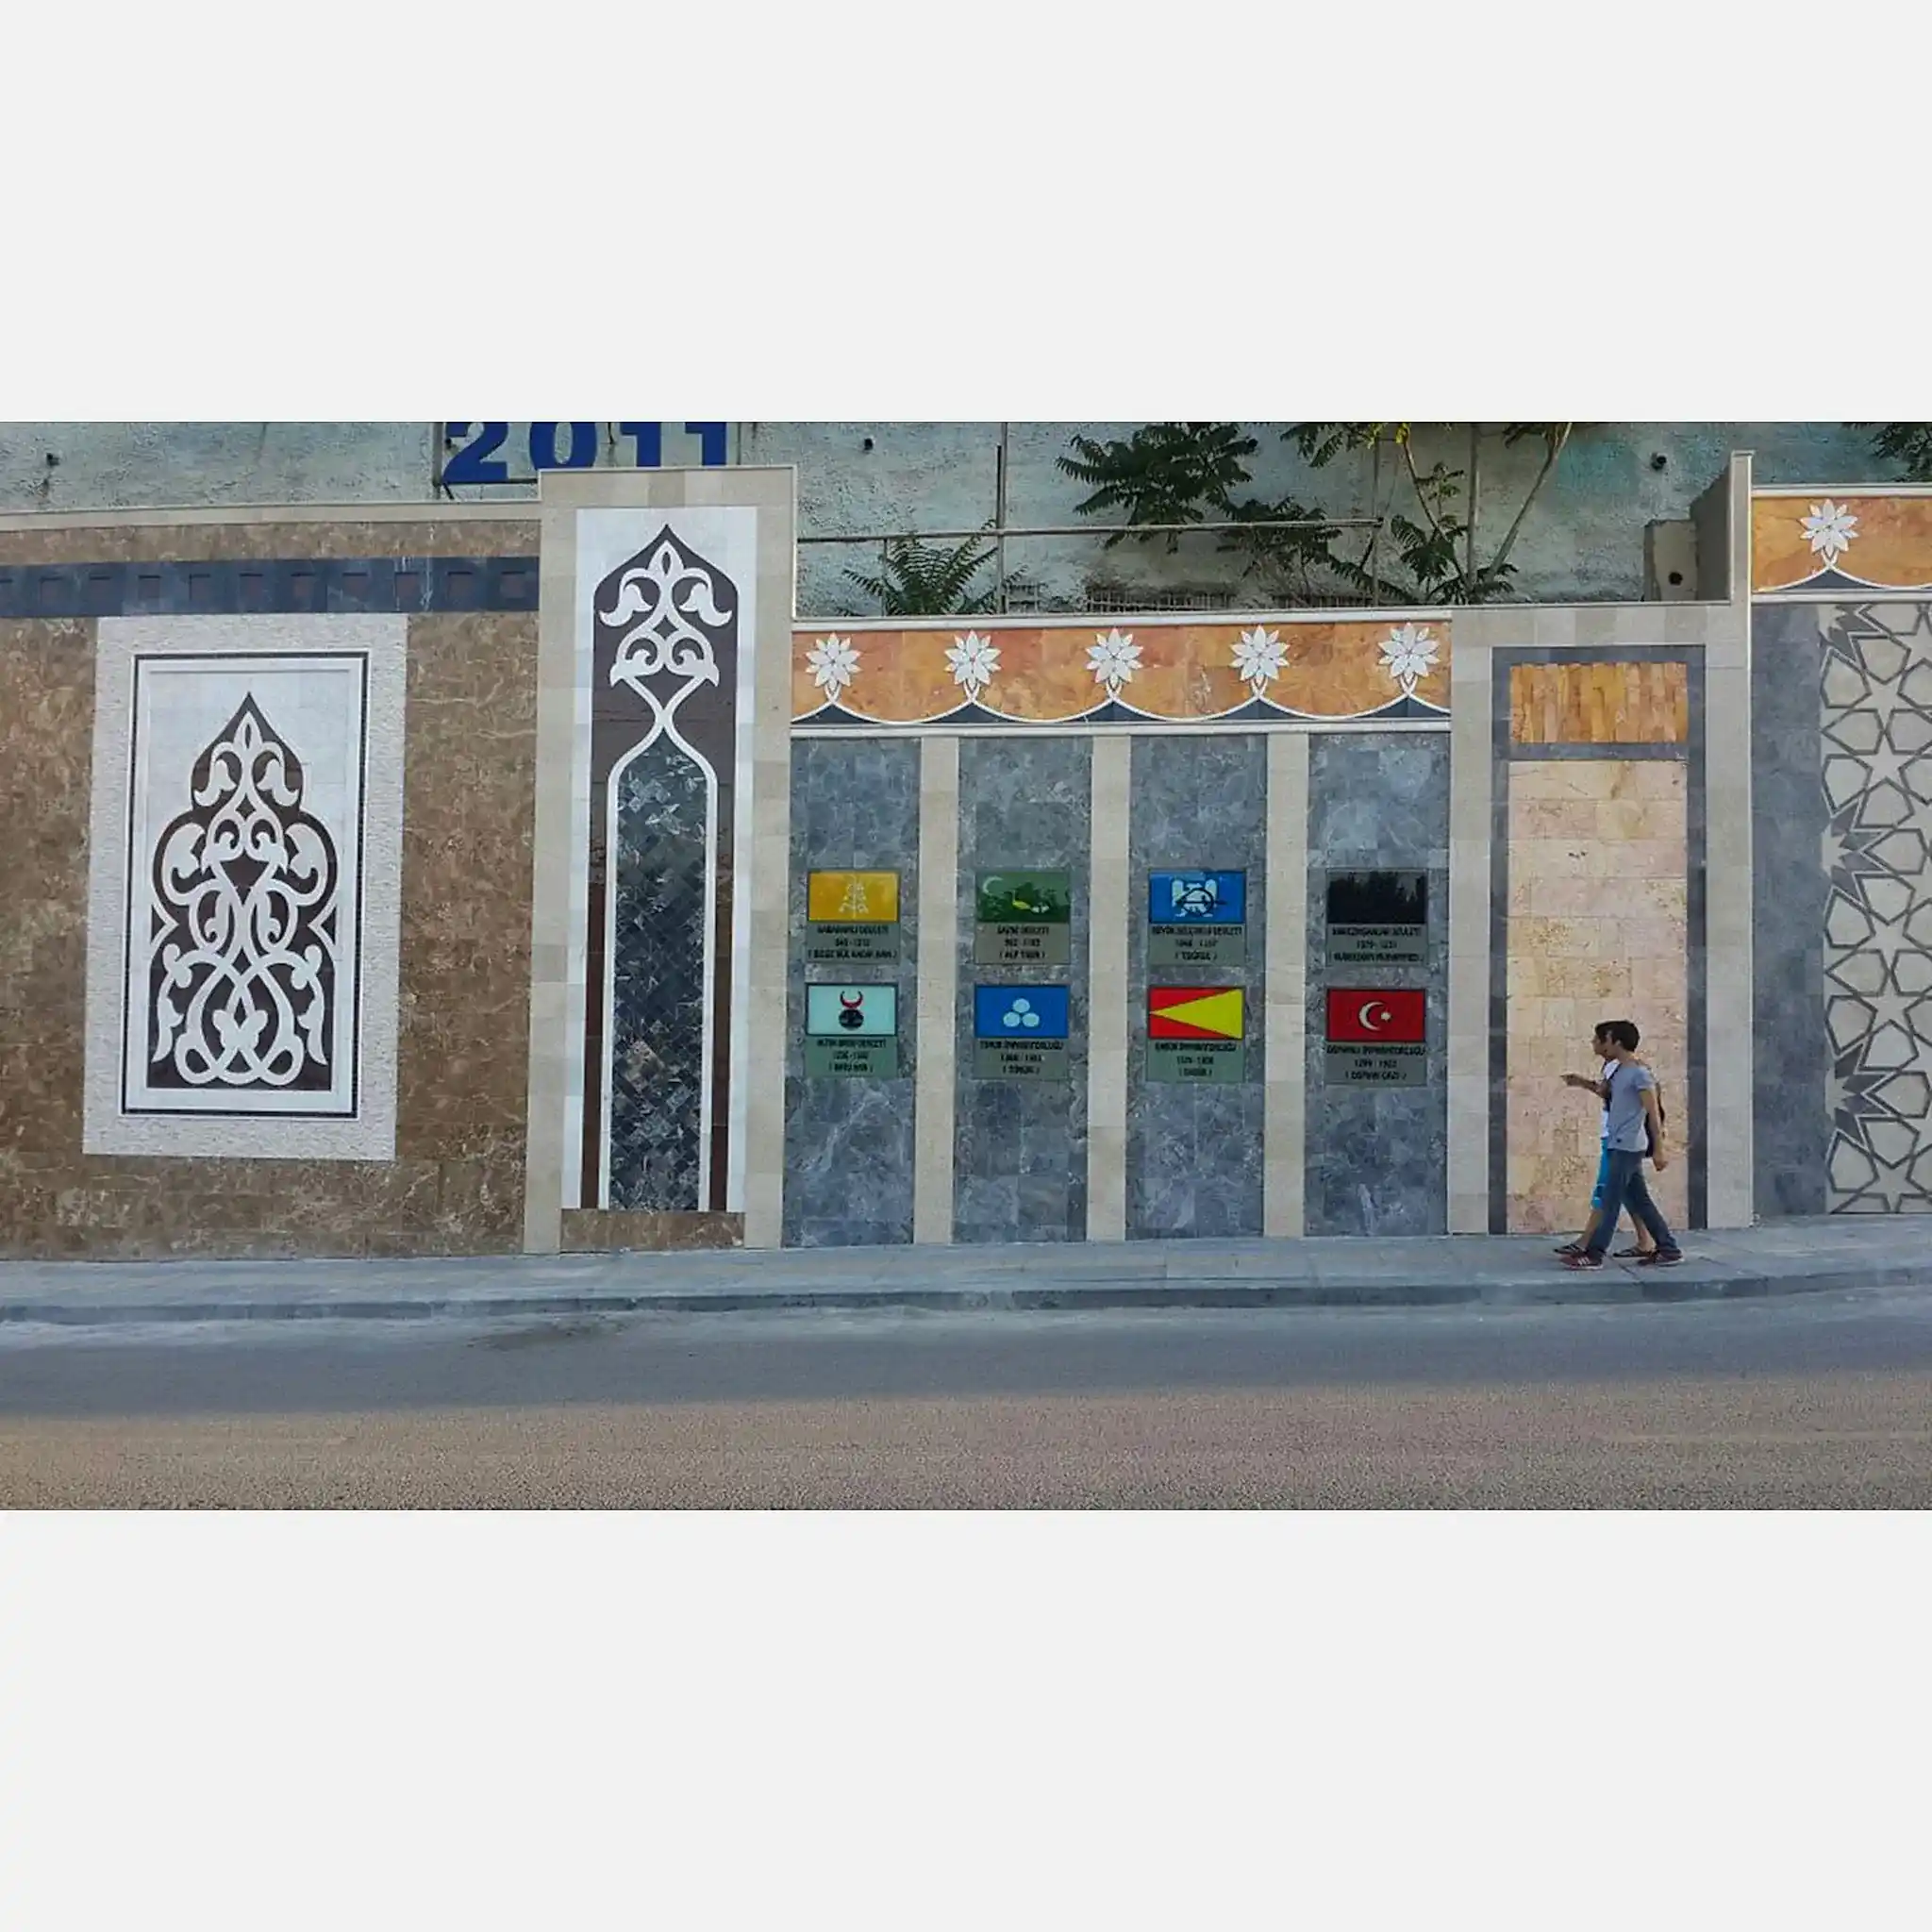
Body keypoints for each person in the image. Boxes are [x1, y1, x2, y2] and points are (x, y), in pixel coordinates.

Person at [1562, 1019, 1681, 1269]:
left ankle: (1594, 1254)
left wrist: (1659, 1150)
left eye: (1604, 1039)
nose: (1600, 1044)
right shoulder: (1619, 1072)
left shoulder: (1640, 1074)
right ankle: (1668, 1249)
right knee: (1640, 1201)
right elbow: (1607, 1094)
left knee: (1610, 1201)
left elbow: (1653, 1113)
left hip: (1628, 1145)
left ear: (1617, 1041)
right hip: (1618, 1144)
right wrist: (1583, 1082)